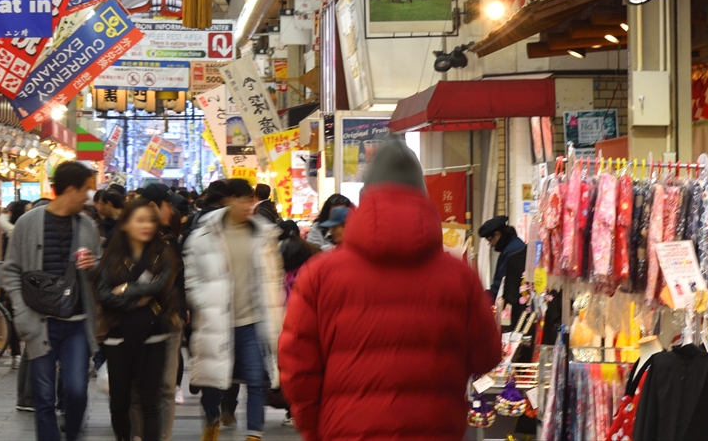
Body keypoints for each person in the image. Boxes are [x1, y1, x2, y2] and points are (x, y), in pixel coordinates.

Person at [278, 140, 503, 441]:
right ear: (423, 196)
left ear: (365, 197)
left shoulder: (319, 276)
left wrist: (313, 428)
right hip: (435, 429)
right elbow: (486, 357)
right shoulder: (460, 277)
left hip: (346, 430)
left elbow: (297, 368)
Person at [4, 161, 103, 441]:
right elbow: (11, 269)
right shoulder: (27, 223)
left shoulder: (87, 225)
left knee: (76, 389)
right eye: (85, 190)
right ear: (70, 190)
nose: (87, 197)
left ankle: (72, 434)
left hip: (77, 323)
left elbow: (100, 267)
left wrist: (94, 264)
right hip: (40, 321)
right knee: (44, 396)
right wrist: (21, 312)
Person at [184, 178, 284, 441]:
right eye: (242, 200)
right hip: (217, 319)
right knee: (212, 383)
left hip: (253, 320)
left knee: (257, 379)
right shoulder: (203, 236)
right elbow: (191, 278)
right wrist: (203, 301)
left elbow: (275, 277)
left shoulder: (264, 234)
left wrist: (277, 314)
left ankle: (254, 434)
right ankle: (212, 420)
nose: (248, 205)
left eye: (251, 200)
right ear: (228, 201)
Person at [99, 197, 184, 441]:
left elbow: (161, 286)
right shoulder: (113, 254)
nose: (146, 225)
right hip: (118, 337)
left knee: (150, 400)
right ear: (125, 224)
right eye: (139, 220)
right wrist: (135, 296)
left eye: (149, 221)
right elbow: (103, 293)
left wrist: (124, 289)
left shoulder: (163, 251)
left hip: (154, 332)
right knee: (120, 401)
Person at [478, 216, 530, 326]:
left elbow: (500, 285)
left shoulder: (510, 251)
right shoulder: (517, 244)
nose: (491, 245)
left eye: (490, 240)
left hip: (513, 310)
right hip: (522, 306)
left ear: (497, 234)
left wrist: (480, 300)